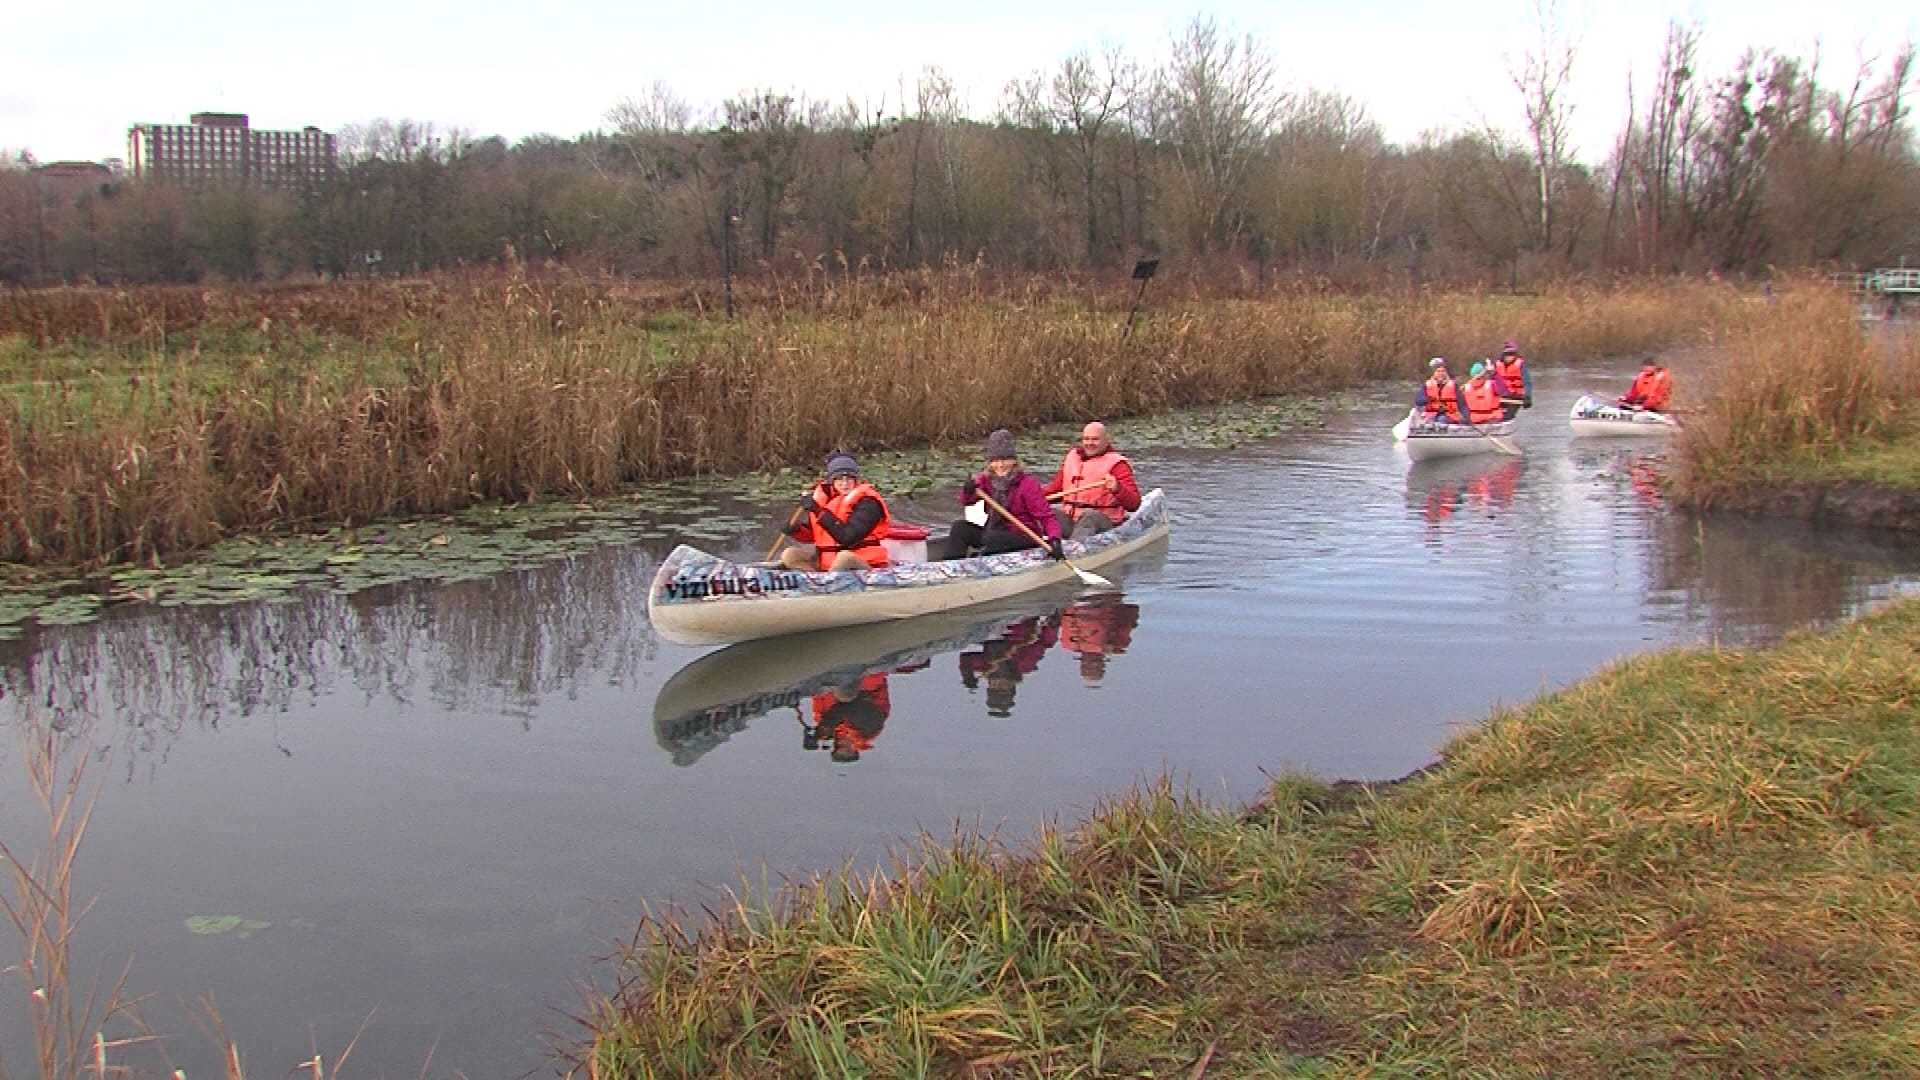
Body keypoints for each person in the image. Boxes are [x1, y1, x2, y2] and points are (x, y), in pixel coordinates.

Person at [941, 428, 1065, 561]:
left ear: (1014, 461)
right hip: (993, 532)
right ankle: (950, 564)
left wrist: (1055, 539)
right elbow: (967, 501)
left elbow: (1046, 517)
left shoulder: (1027, 484)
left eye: (1005, 459)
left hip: (1024, 537)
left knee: (993, 538)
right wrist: (968, 491)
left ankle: (979, 562)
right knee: (960, 528)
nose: (1000, 465)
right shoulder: (985, 479)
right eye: (995, 460)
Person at [781, 452, 893, 572]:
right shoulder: (824, 500)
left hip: (864, 564)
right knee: (790, 554)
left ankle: (829, 580)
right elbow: (816, 536)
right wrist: (796, 530)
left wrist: (818, 511)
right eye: (839, 478)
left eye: (849, 478)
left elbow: (847, 537)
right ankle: (815, 578)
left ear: (856, 480)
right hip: (826, 565)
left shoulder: (868, 503)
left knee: (844, 558)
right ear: (832, 481)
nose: (845, 483)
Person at [1044, 421, 1142, 539]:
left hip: (1103, 523)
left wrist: (1117, 488)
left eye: (1095, 439)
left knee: (1090, 516)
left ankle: (1075, 548)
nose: (1090, 443)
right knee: (1047, 512)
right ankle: (1040, 544)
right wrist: (1029, 498)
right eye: (1086, 439)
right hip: (1072, 522)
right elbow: (1054, 490)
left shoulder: (1118, 465)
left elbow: (1134, 504)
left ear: (1106, 441)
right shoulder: (1073, 458)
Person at [803, 675, 890, 763]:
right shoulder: (869, 729)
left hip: (828, 681)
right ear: (855, 749)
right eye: (847, 748)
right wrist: (826, 724)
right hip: (863, 678)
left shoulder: (826, 727)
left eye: (838, 746)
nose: (841, 743)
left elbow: (818, 698)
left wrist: (815, 733)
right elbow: (851, 706)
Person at [1414, 357, 1463, 424]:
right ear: (1434, 373)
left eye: (1443, 371)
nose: (1441, 373)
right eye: (1438, 371)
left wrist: (1465, 417)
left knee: (1441, 419)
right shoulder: (1427, 385)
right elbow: (1418, 400)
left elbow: (1462, 404)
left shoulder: (1453, 386)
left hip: (1449, 416)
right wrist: (1428, 399)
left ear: (1446, 372)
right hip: (1431, 416)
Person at [1492, 339, 1532, 418]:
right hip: (1501, 396)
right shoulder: (1497, 364)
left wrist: (1527, 396)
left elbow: (1527, 382)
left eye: (1512, 354)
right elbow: (1491, 381)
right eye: (1507, 354)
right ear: (1503, 354)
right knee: (1494, 414)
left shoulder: (1520, 365)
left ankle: (1507, 419)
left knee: (1508, 415)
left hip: (1515, 397)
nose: (1509, 357)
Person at [1460, 361, 1507, 425]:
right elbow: (1503, 390)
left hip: (1487, 420)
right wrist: (1495, 374)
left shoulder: (1466, 387)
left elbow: (1502, 390)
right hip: (1486, 420)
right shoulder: (1491, 384)